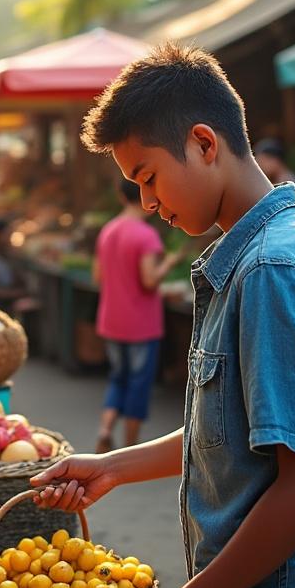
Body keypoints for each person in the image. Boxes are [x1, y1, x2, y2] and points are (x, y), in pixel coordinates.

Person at [32, 43, 295, 588]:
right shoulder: (262, 255)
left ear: (203, 143)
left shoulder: (273, 269)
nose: (146, 202)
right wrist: (113, 467)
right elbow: (234, 433)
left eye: (148, 177)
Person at [92, 178, 182, 453]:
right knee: (139, 383)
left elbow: (98, 277)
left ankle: (105, 429)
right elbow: (149, 280)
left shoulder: (107, 231)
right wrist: (168, 262)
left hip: (111, 320)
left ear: (120, 195)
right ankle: (130, 448)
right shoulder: (146, 235)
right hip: (141, 324)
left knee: (118, 378)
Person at [252, 138, 295, 206]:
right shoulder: (277, 180)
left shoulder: (291, 184)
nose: (260, 167)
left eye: (262, 161)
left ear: (275, 160)